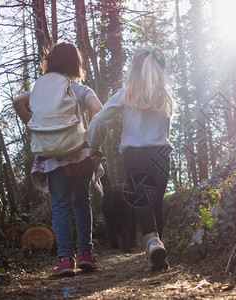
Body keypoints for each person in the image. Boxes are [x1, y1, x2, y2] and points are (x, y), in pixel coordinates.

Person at [13, 42, 103, 277]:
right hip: (80, 155)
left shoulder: (39, 94)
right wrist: (94, 142)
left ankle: (65, 260)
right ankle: (86, 254)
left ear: (50, 62)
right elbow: (99, 110)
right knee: (82, 203)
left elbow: (17, 102)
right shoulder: (80, 89)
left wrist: (35, 128)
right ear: (76, 64)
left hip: (51, 159)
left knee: (60, 207)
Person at [88, 46, 175, 272]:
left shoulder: (124, 95)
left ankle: (153, 244)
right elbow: (165, 130)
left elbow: (98, 121)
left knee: (142, 202)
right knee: (154, 203)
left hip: (136, 157)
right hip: (162, 157)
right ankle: (157, 253)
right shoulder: (164, 97)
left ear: (134, 70)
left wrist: (93, 144)